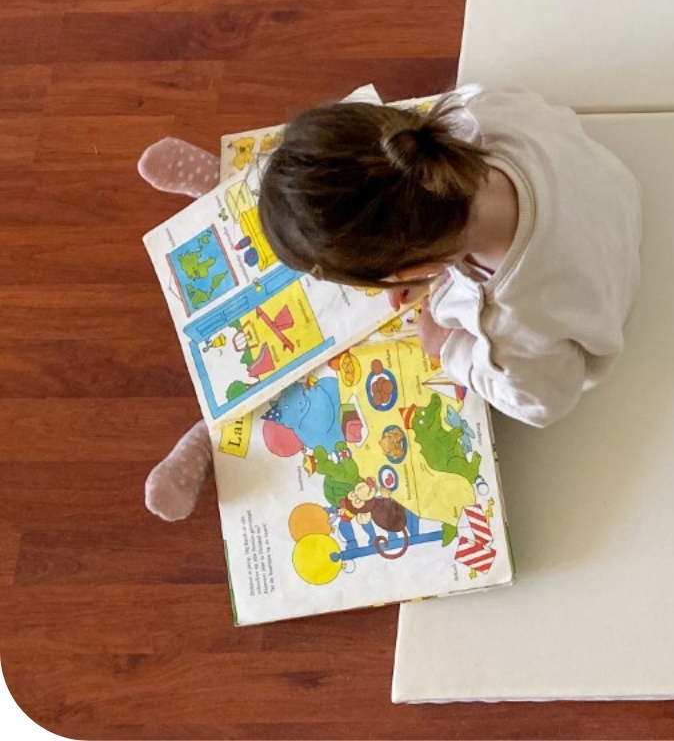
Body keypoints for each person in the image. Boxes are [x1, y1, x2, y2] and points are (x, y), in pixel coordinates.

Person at [140, 87, 642, 521]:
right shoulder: (474, 115)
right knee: (312, 213)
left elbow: (542, 401)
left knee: (341, 353)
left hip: (592, 270)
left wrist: (451, 349)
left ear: (405, 273)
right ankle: (230, 195)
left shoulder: (509, 321)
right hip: (597, 182)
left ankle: (214, 427)